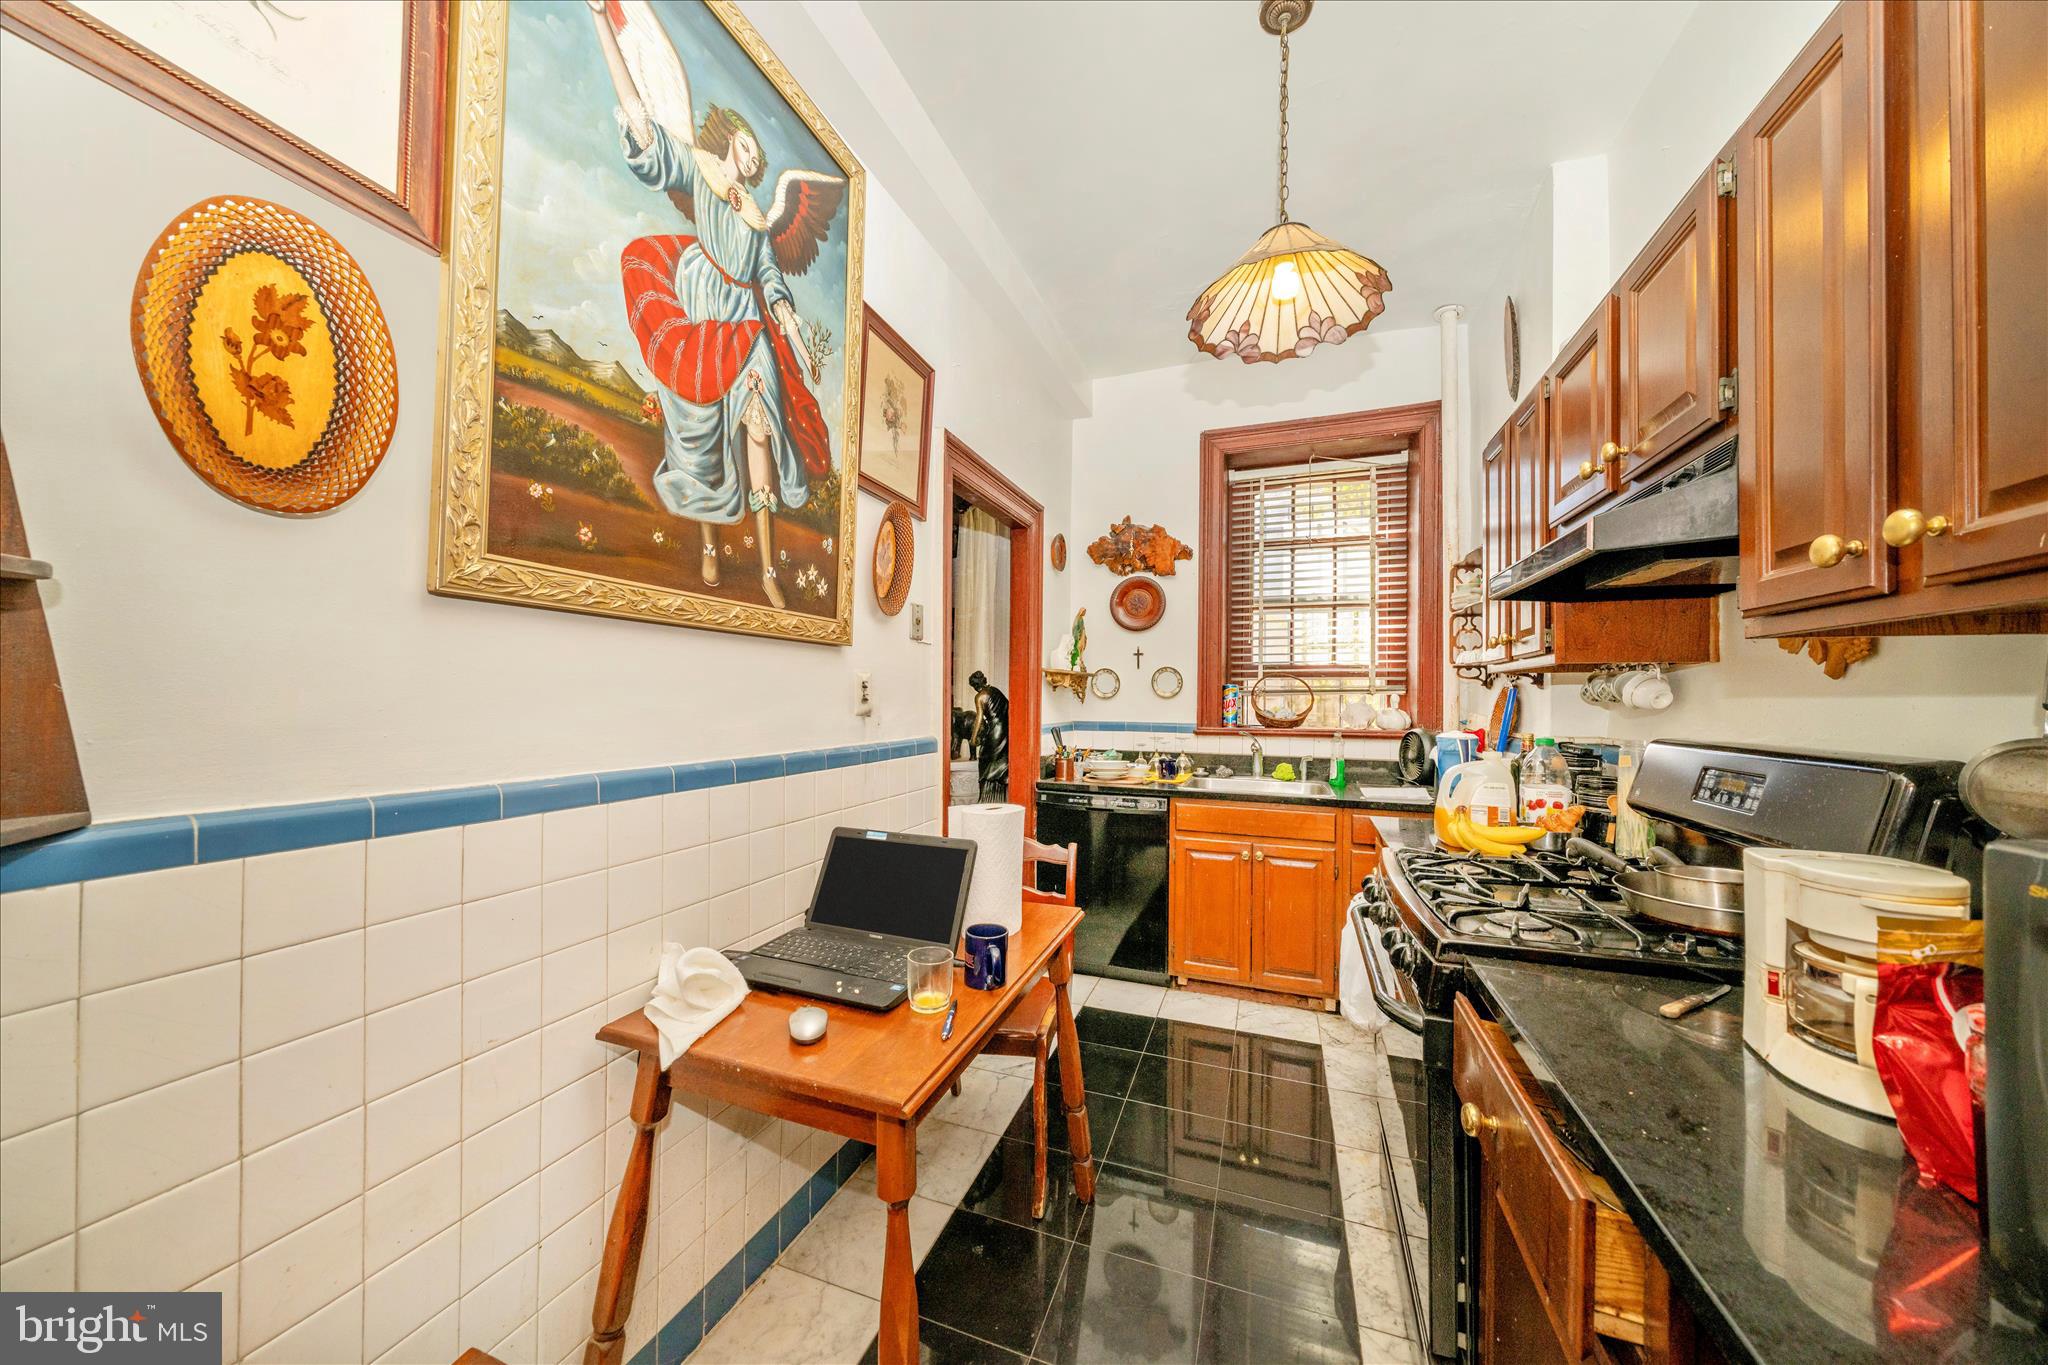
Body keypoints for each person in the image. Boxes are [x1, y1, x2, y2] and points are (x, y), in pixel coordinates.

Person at [588, 1, 846, 608]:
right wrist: (604, 22)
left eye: (760, 155)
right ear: (732, 140)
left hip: (748, 322)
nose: (755, 158)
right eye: (750, 146)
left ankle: (765, 570)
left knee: (760, 428)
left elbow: (769, 279)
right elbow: (647, 136)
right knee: (697, 434)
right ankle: (707, 541)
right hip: (701, 303)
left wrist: (789, 324)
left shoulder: (757, 219)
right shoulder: (697, 170)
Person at [967, 670, 1009, 802]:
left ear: (974, 685)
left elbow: (979, 719)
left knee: (985, 759)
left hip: (994, 731)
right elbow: (1008, 706)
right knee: (1001, 760)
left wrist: (973, 738)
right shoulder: (995, 691)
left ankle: (986, 797)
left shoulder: (980, 696)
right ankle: (1000, 795)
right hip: (1005, 728)